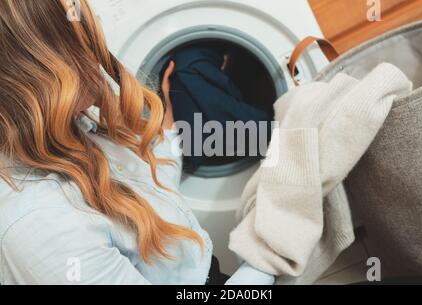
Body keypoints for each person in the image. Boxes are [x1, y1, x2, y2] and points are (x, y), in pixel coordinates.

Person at [0, 0, 273, 285]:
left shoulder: (71, 132)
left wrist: (169, 129)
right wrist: (269, 250)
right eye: (82, 40)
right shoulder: (42, 230)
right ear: (36, 70)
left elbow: (138, 194)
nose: (98, 53)